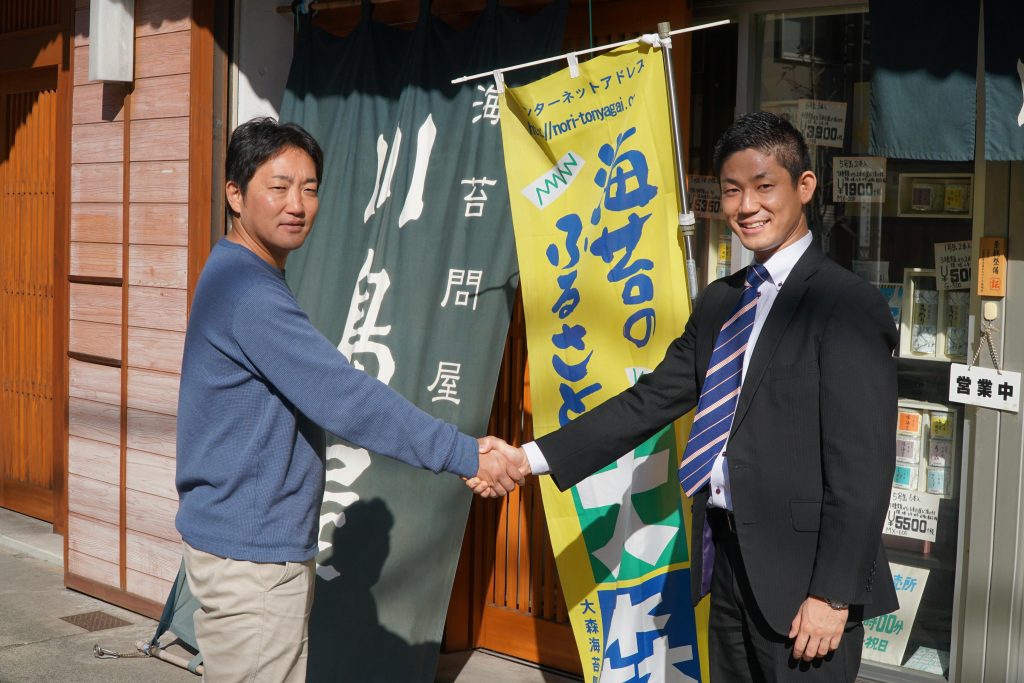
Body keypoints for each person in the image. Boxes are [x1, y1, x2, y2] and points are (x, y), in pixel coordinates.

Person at [479, 112, 899, 681]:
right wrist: (526, 458)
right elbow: (649, 401)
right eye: (732, 191)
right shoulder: (722, 301)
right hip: (726, 560)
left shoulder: (845, 304)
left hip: (807, 581)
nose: (746, 206)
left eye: (764, 187)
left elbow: (862, 466)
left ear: (804, 187)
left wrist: (833, 594)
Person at [175, 117, 524, 682]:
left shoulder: (236, 270)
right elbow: (345, 397)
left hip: (241, 542)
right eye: (279, 186)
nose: (297, 204)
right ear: (235, 194)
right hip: (252, 557)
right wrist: (464, 454)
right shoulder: (248, 290)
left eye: (309, 188)